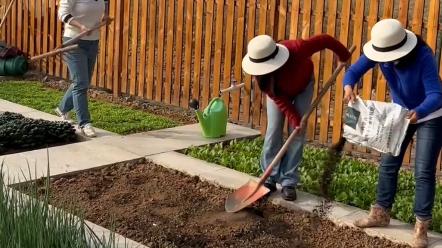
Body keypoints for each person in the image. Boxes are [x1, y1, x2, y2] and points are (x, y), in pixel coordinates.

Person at [342, 19, 442, 248]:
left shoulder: (422, 56)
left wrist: (420, 111)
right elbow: (354, 70)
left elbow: (436, 94)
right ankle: (380, 214)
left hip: (430, 114)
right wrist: (348, 85)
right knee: (388, 163)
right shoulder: (380, 48)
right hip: (400, 115)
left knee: (423, 171)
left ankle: (421, 227)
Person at [241, 34, 351, 201]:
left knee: (297, 132)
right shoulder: (262, 77)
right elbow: (280, 100)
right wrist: (293, 116)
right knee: (273, 130)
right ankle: (268, 178)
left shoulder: (297, 48)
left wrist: (343, 56)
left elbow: (325, 40)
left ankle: (288, 180)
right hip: (279, 94)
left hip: (303, 85)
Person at [57, 0, 111, 137]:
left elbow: (105, 2)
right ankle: (85, 123)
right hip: (73, 41)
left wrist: (105, 15)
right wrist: (80, 26)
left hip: (93, 42)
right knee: (81, 83)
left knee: (82, 82)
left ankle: (62, 109)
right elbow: (62, 14)